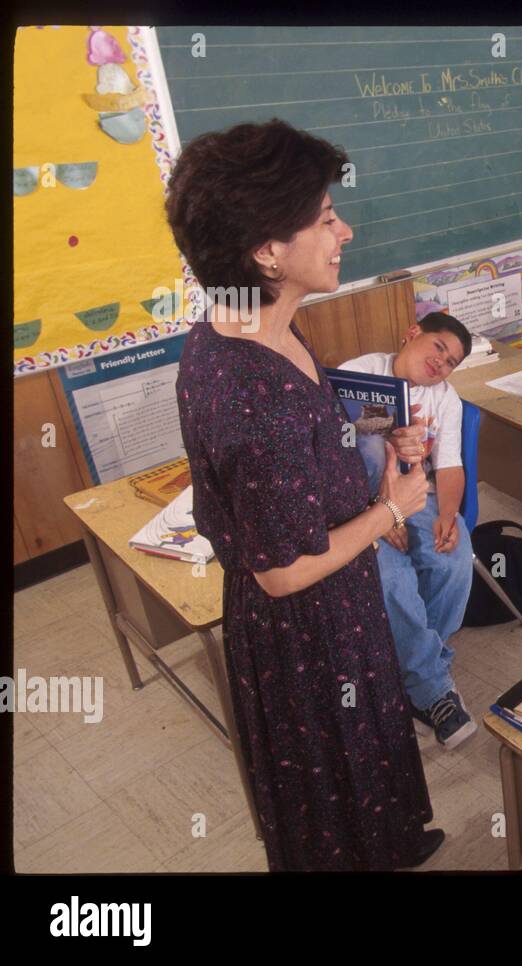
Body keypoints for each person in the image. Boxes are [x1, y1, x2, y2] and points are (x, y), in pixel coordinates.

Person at [169, 119, 443, 870]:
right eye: (325, 218)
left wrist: (379, 459)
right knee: (332, 780)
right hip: (304, 630)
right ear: (266, 248)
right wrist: (392, 511)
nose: (344, 230)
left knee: (370, 751)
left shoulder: (256, 326)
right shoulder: (246, 389)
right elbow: (282, 570)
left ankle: (392, 841)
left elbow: (308, 447)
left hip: (342, 600)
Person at [338, 311, 477, 749]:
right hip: (354, 502)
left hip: (415, 496)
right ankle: (434, 690)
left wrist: (449, 515)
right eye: (438, 347)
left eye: (452, 361)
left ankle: (412, 671)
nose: (441, 363)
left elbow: (451, 467)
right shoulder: (356, 376)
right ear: (412, 333)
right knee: (391, 577)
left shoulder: (446, 399)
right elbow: (345, 461)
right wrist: (383, 513)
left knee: (453, 559)